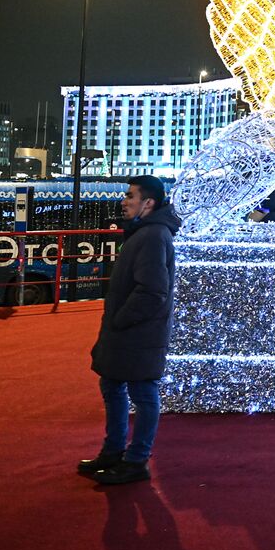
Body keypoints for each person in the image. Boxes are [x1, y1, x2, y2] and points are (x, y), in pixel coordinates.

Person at [79, 175, 181, 485]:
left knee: (143, 392)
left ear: (148, 203)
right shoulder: (143, 232)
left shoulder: (152, 235)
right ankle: (113, 452)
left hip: (138, 332)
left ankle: (136, 460)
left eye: (131, 196)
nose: (124, 201)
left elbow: (152, 290)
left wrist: (121, 320)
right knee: (112, 385)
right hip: (127, 331)